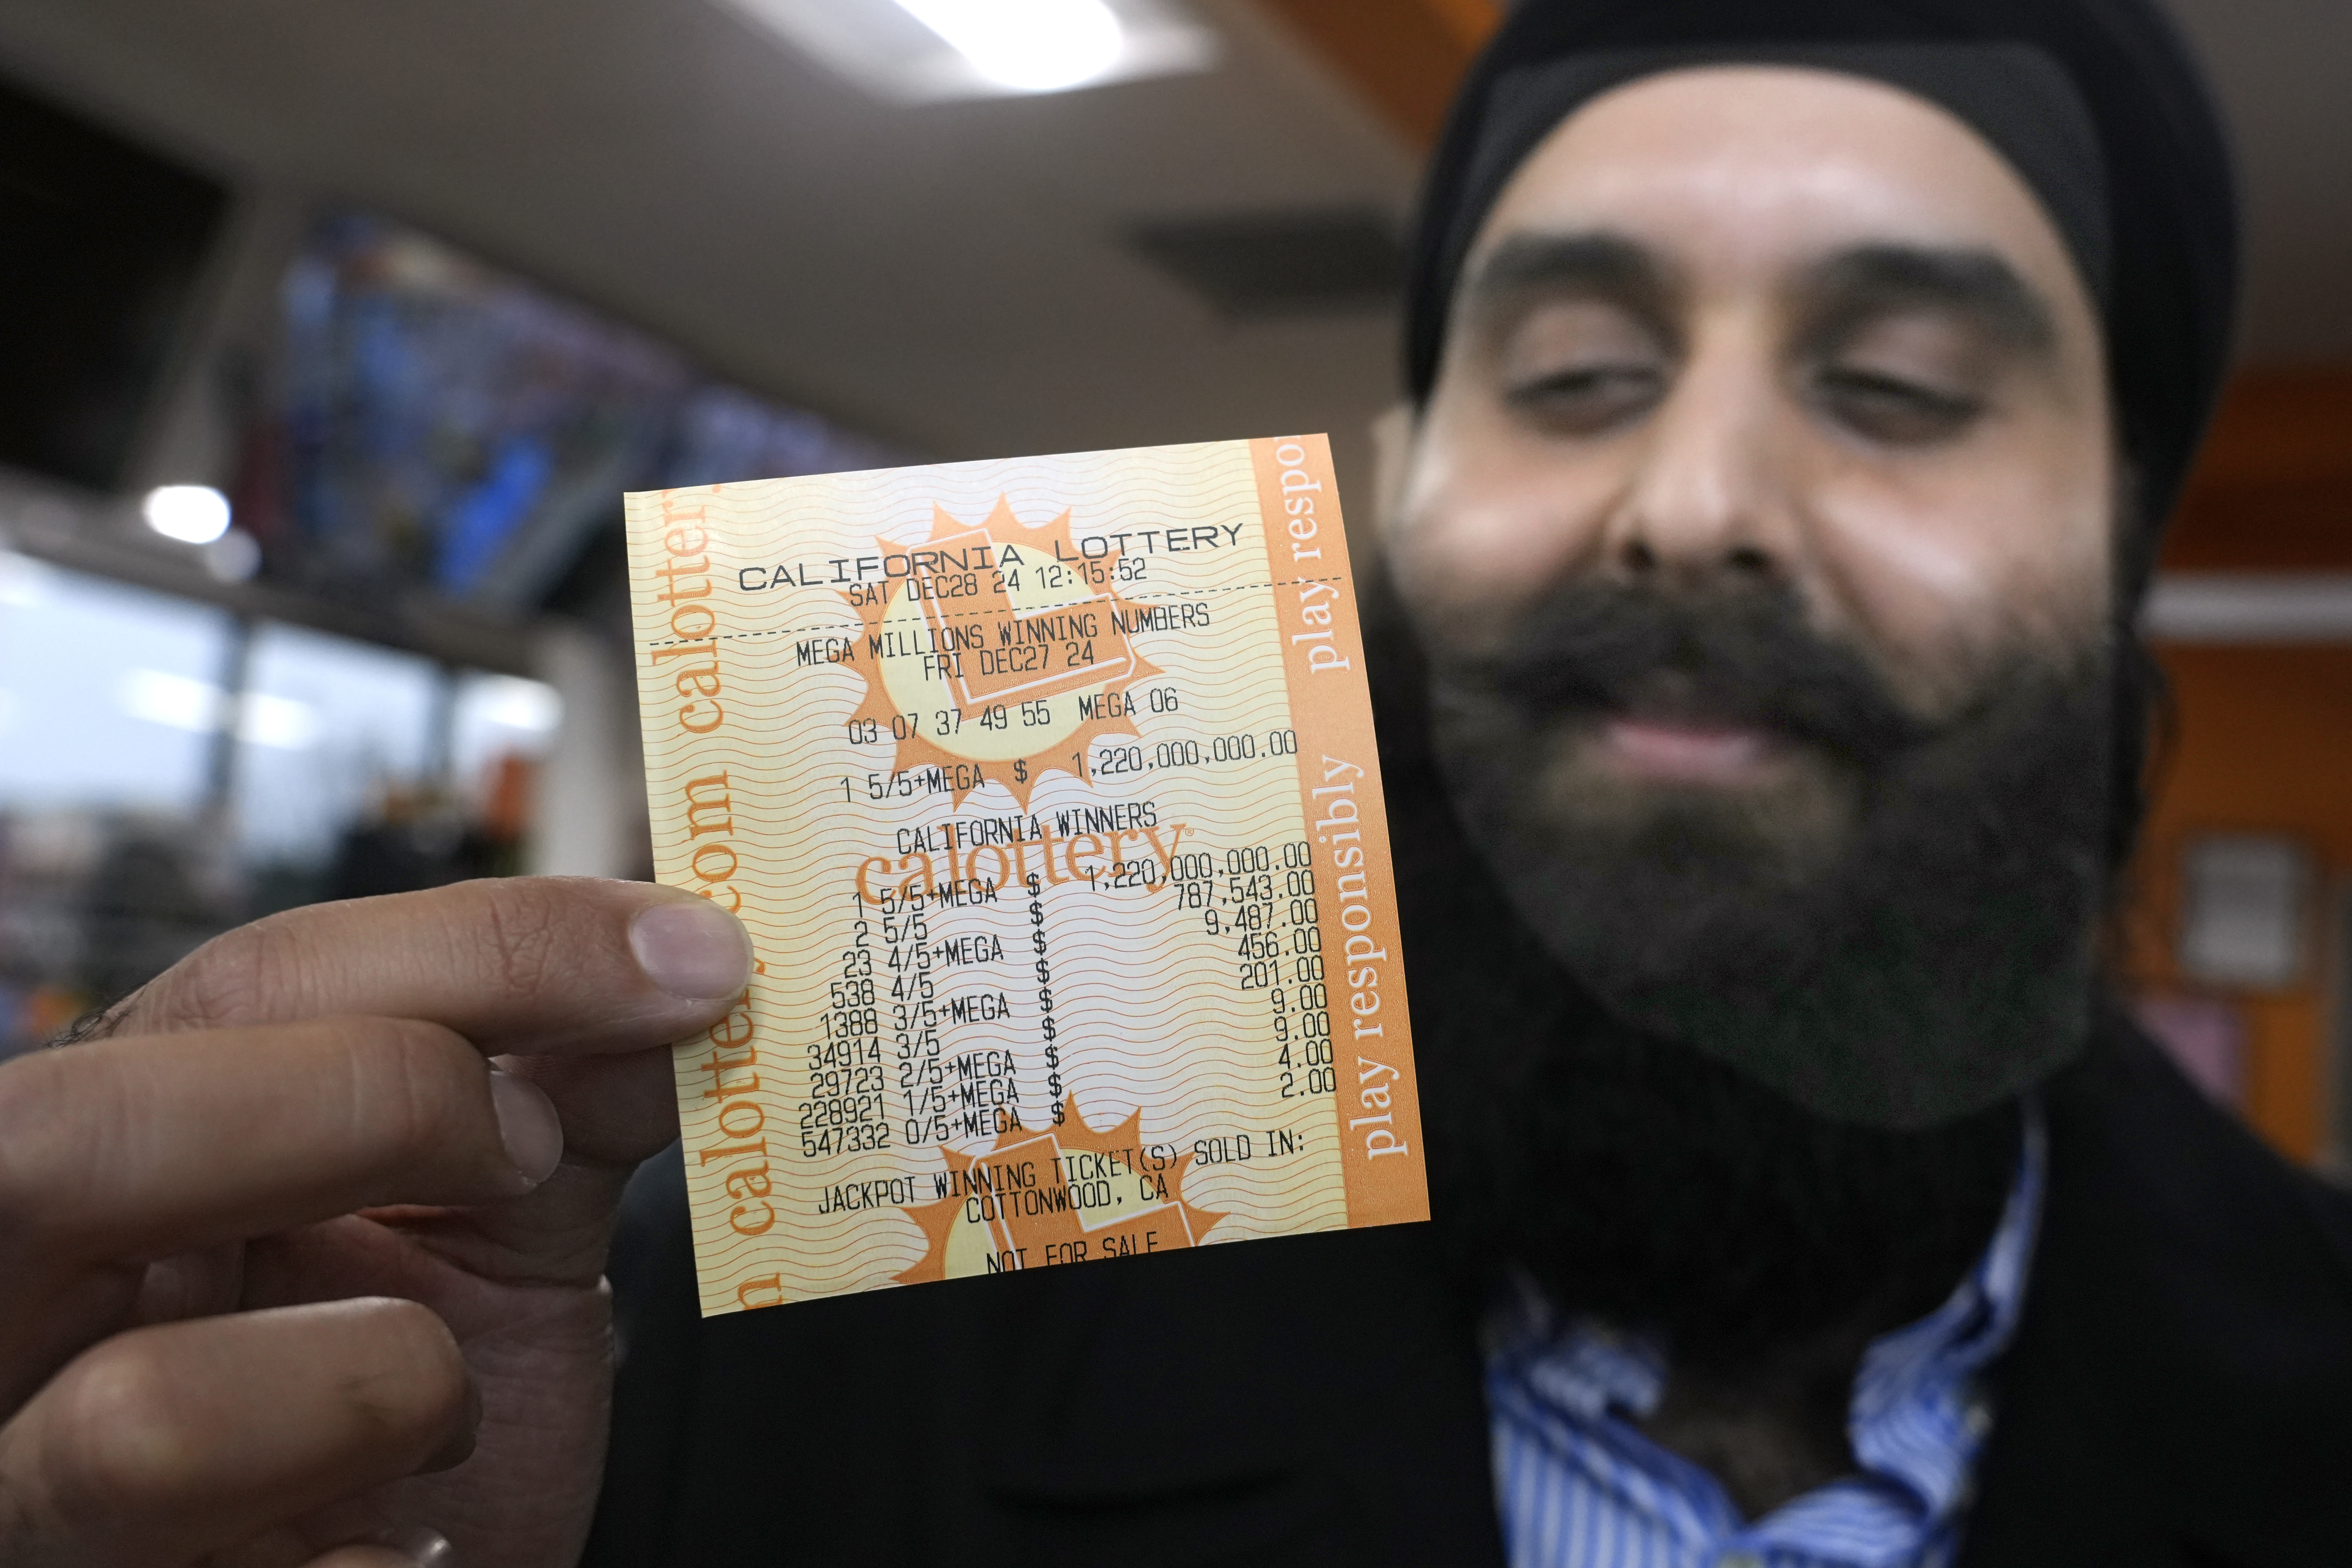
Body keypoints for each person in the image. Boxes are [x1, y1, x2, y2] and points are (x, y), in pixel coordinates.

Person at [4, 2, 2349, 1565]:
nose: (1693, 498)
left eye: (1908, 387)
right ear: (1403, 499)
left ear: (2126, 530)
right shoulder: (709, 1387)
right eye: (1580, 369)